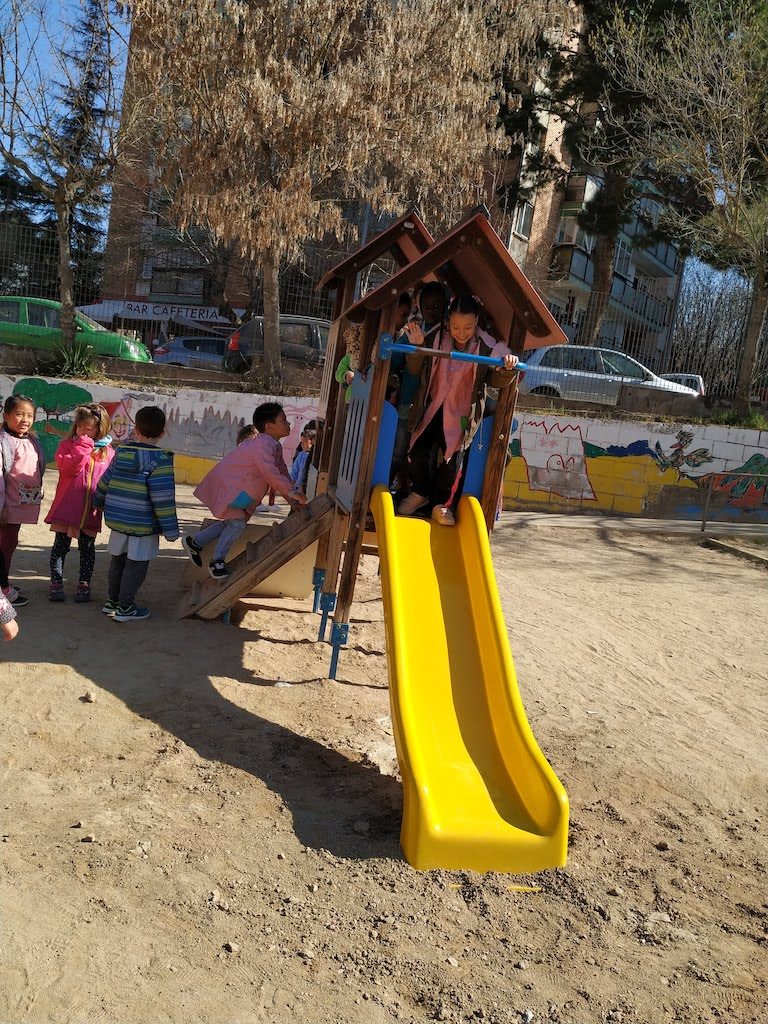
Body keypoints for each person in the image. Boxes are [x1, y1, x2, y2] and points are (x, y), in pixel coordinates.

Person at [397, 295, 518, 526]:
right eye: (455, 327)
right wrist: (417, 347)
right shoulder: (435, 337)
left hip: (462, 413)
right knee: (417, 450)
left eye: (468, 327)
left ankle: (441, 504)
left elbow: (496, 380)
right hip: (434, 406)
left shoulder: (487, 347)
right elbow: (414, 368)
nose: (461, 333)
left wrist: (507, 368)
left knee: (452, 459)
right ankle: (420, 492)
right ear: (448, 322)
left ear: (477, 322)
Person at [185, 402, 308, 580]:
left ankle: (195, 542)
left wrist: (292, 500)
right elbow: (271, 473)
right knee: (237, 524)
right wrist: (292, 493)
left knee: (233, 523)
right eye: (283, 419)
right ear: (269, 426)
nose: (288, 423)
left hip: (243, 494)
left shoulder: (273, 445)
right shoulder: (263, 445)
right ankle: (217, 561)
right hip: (234, 490)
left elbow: (281, 472)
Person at [92, 405, 179, 622]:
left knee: (118, 561)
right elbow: (163, 499)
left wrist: (98, 502)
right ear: (162, 433)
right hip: (143, 524)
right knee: (136, 564)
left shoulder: (121, 453)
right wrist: (170, 530)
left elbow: (105, 482)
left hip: (118, 520)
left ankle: (112, 601)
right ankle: (126, 607)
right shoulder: (161, 460)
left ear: (136, 430)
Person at [44, 404, 115, 603]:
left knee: (87, 549)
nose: (83, 431)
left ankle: (84, 584)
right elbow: (69, 469)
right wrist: (83, 447)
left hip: (91, 511)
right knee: (60, 547)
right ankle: (56, 583)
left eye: (88, 428)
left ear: (100, 429)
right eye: (80, 426)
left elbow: (110, 481)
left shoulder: (108, 453)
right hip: (67, 508)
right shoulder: (67, 445)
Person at [0, 394, 46, 607]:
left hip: (21, 506)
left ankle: (4, 582)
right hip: (6, 506)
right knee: (3, 546)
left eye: (29, 415)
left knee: (9, 544)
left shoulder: (32, 440)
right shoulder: (3, 442)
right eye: (19, 414)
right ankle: (3, 589)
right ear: (6, 416)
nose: (25, 420)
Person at [335, 292, 412, 402]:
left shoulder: (399, 341)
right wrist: (346, 374)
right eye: (403, 315)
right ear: (389, 312)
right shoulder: (359, 344)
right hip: (355, 401)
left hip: (381, 400)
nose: (406, 321)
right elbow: (341, 369)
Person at [290, 426, 315, 495]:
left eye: (305, 441)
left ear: (312, 442)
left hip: (309, 489)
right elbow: (294, 472)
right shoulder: (301, 455)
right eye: (301, 442)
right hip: (297, 488)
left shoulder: (315, 456)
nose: (302, 444)